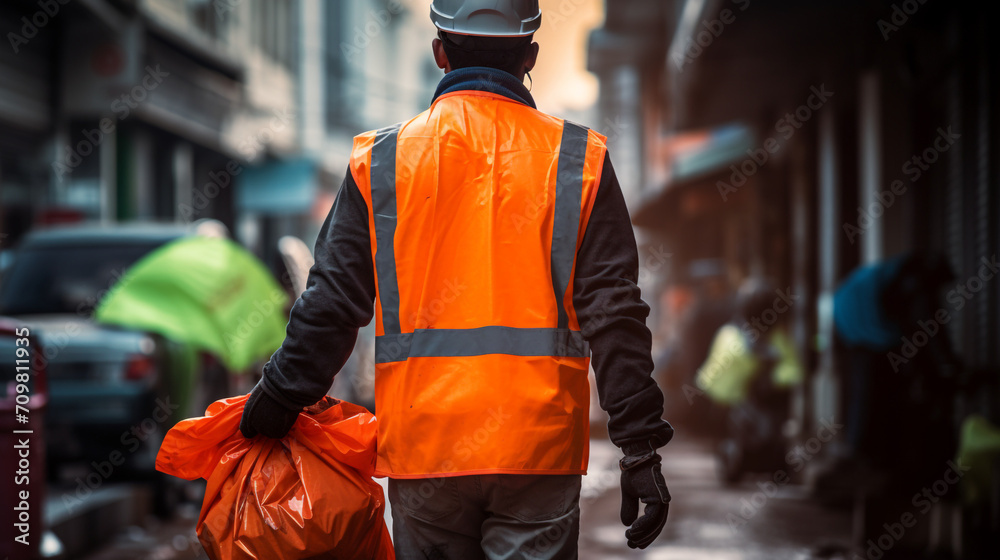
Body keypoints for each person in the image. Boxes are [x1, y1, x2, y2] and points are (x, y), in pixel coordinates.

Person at [238, 1, 673, 557]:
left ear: (439, 51)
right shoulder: (577, 159)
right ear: (530, 56)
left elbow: (333, 302)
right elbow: (615, 313)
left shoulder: (384, 160)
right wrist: (638, 447)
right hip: (536, 450)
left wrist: (279, 394)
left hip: (426, 449)